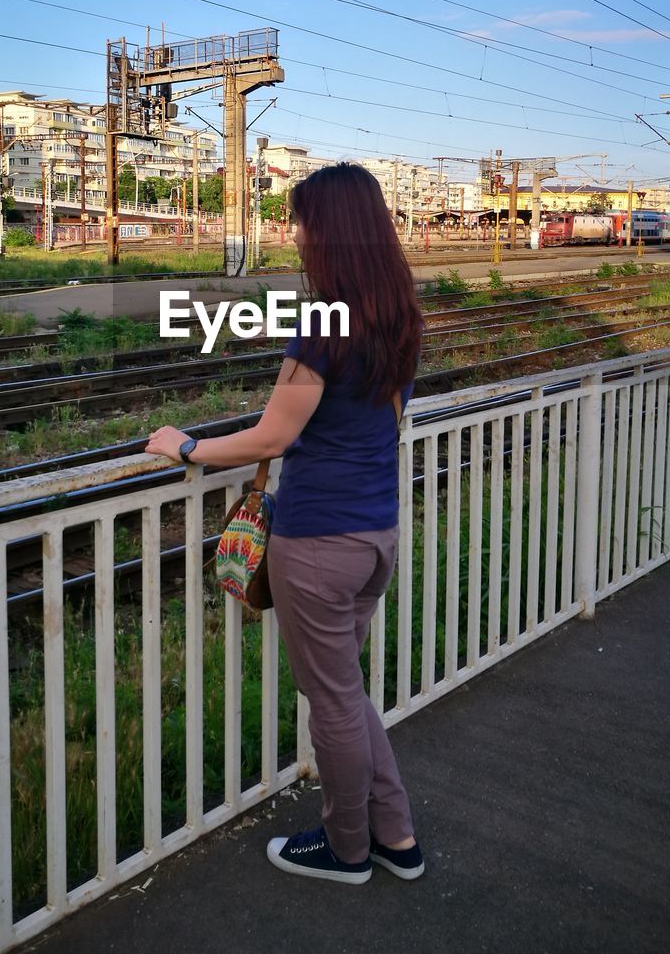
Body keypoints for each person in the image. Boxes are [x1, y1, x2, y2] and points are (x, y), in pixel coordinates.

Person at [145, 163, 424, 885]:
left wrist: (186, 447)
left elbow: (271, 437)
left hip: (320, 542)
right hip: (375, 538)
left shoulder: (322, 328)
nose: (294, 234)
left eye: (301, 220)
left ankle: (347, 847)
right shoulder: (396, 317)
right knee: (347, 689)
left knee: (331, 699)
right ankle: (395, 834)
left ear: (330, 231)